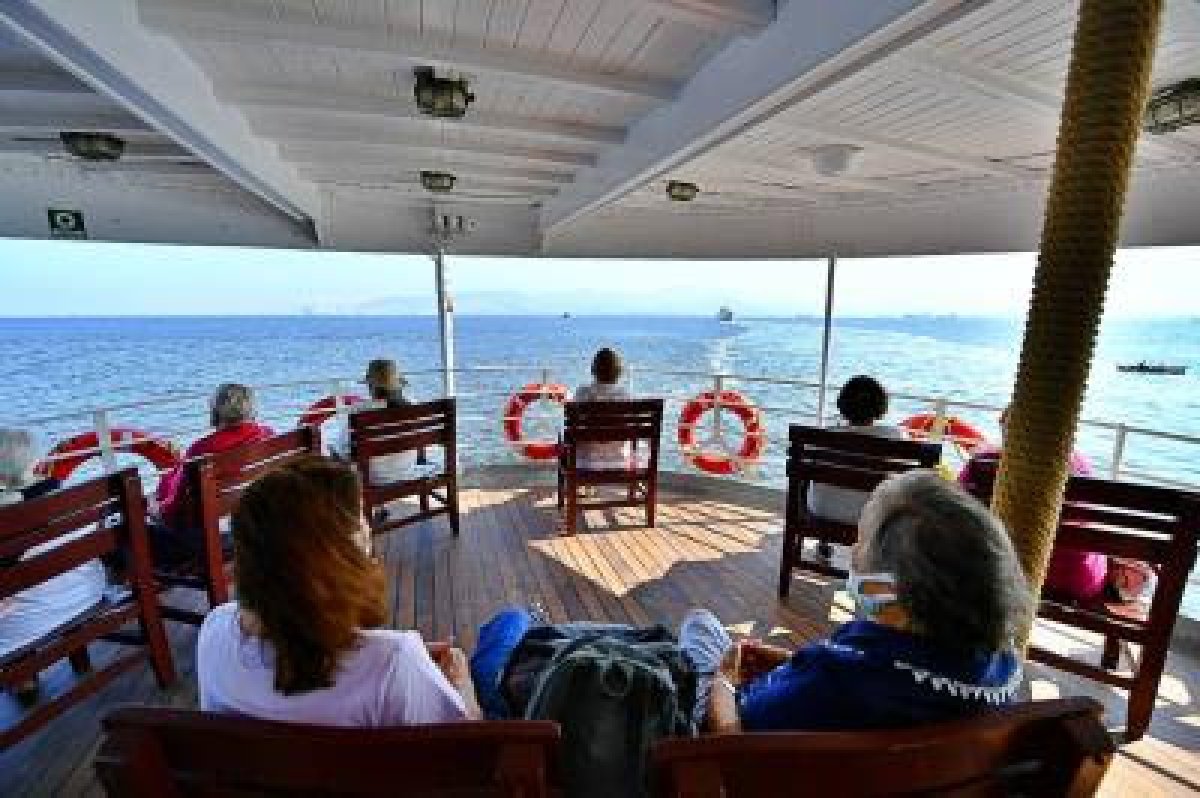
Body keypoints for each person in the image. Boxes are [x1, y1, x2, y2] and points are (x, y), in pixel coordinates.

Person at [685, 470, 1030, 732]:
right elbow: (892, 675)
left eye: (862, 543)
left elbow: (730, 736)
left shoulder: (835, 679)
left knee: (700, 627)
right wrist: (796, 663)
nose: (853, 553)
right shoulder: (1006, 670)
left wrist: (724, 679)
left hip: (739, 763)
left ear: (893, 591)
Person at [197, 457, 479, 725]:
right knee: (506, 629)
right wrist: (461, 682)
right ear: (334, 558)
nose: (369, 530)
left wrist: (398, 658)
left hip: (250, 774)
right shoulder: (394, 663)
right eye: (360, 523)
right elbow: (468, 750)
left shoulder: (214, 631)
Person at [958, 406, 1107, 602]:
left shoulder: (983, 462)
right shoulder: (1080, 466)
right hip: (1071, 581)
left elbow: (955, 508)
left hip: (996, 572)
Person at [1, 429, 107, 689]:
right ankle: (29, 674)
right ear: (36, 461)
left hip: (28, 622)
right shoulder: (74, 496)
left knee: (13, 599)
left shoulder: (8, 517)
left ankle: (24, 677)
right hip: (87, 594)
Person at [152, 383, 274, 564]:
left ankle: (119, 587)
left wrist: (157, 510)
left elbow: (173, 511)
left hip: (215, 540)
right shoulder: (267, 435)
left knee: (123, 527)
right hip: (255, 525)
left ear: (216, 412)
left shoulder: (201, 449)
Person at [808, 376, 908, 524]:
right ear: (880, 406)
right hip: (870, 517)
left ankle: (823, 542)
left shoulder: (824, 435)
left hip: (822, 509)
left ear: (842, 404)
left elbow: (807, 468)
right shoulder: (893, 436)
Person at [334, 358, 421, 487]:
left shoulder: (359, 411)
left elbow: (345, 451)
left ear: (370, 386)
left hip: (370, 478)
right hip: (409, 471)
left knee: (334, 453)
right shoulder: (414, 406)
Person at [572, 348, 632, 469]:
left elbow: (573, 427)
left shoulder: (582, 393)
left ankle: (575, 485)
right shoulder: (625, 396)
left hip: (585, 461)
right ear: (618, 371)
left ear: (594, 369)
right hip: (619, 460)